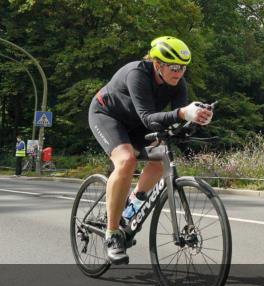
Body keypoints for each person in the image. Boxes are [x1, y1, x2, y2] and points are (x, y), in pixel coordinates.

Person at [89, 36, 212, 263]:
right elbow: (149, 117)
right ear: (158, 64)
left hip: (136, 123)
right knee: (126, 160)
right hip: (107, 115)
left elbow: (176, 122)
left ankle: (132, 204)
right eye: (174, 67)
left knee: (159, 158)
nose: (179, 72)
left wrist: (197, 119)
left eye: (183, 68)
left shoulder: (178, 84)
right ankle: (112, 234)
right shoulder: (138, 74)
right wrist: (183, 113)